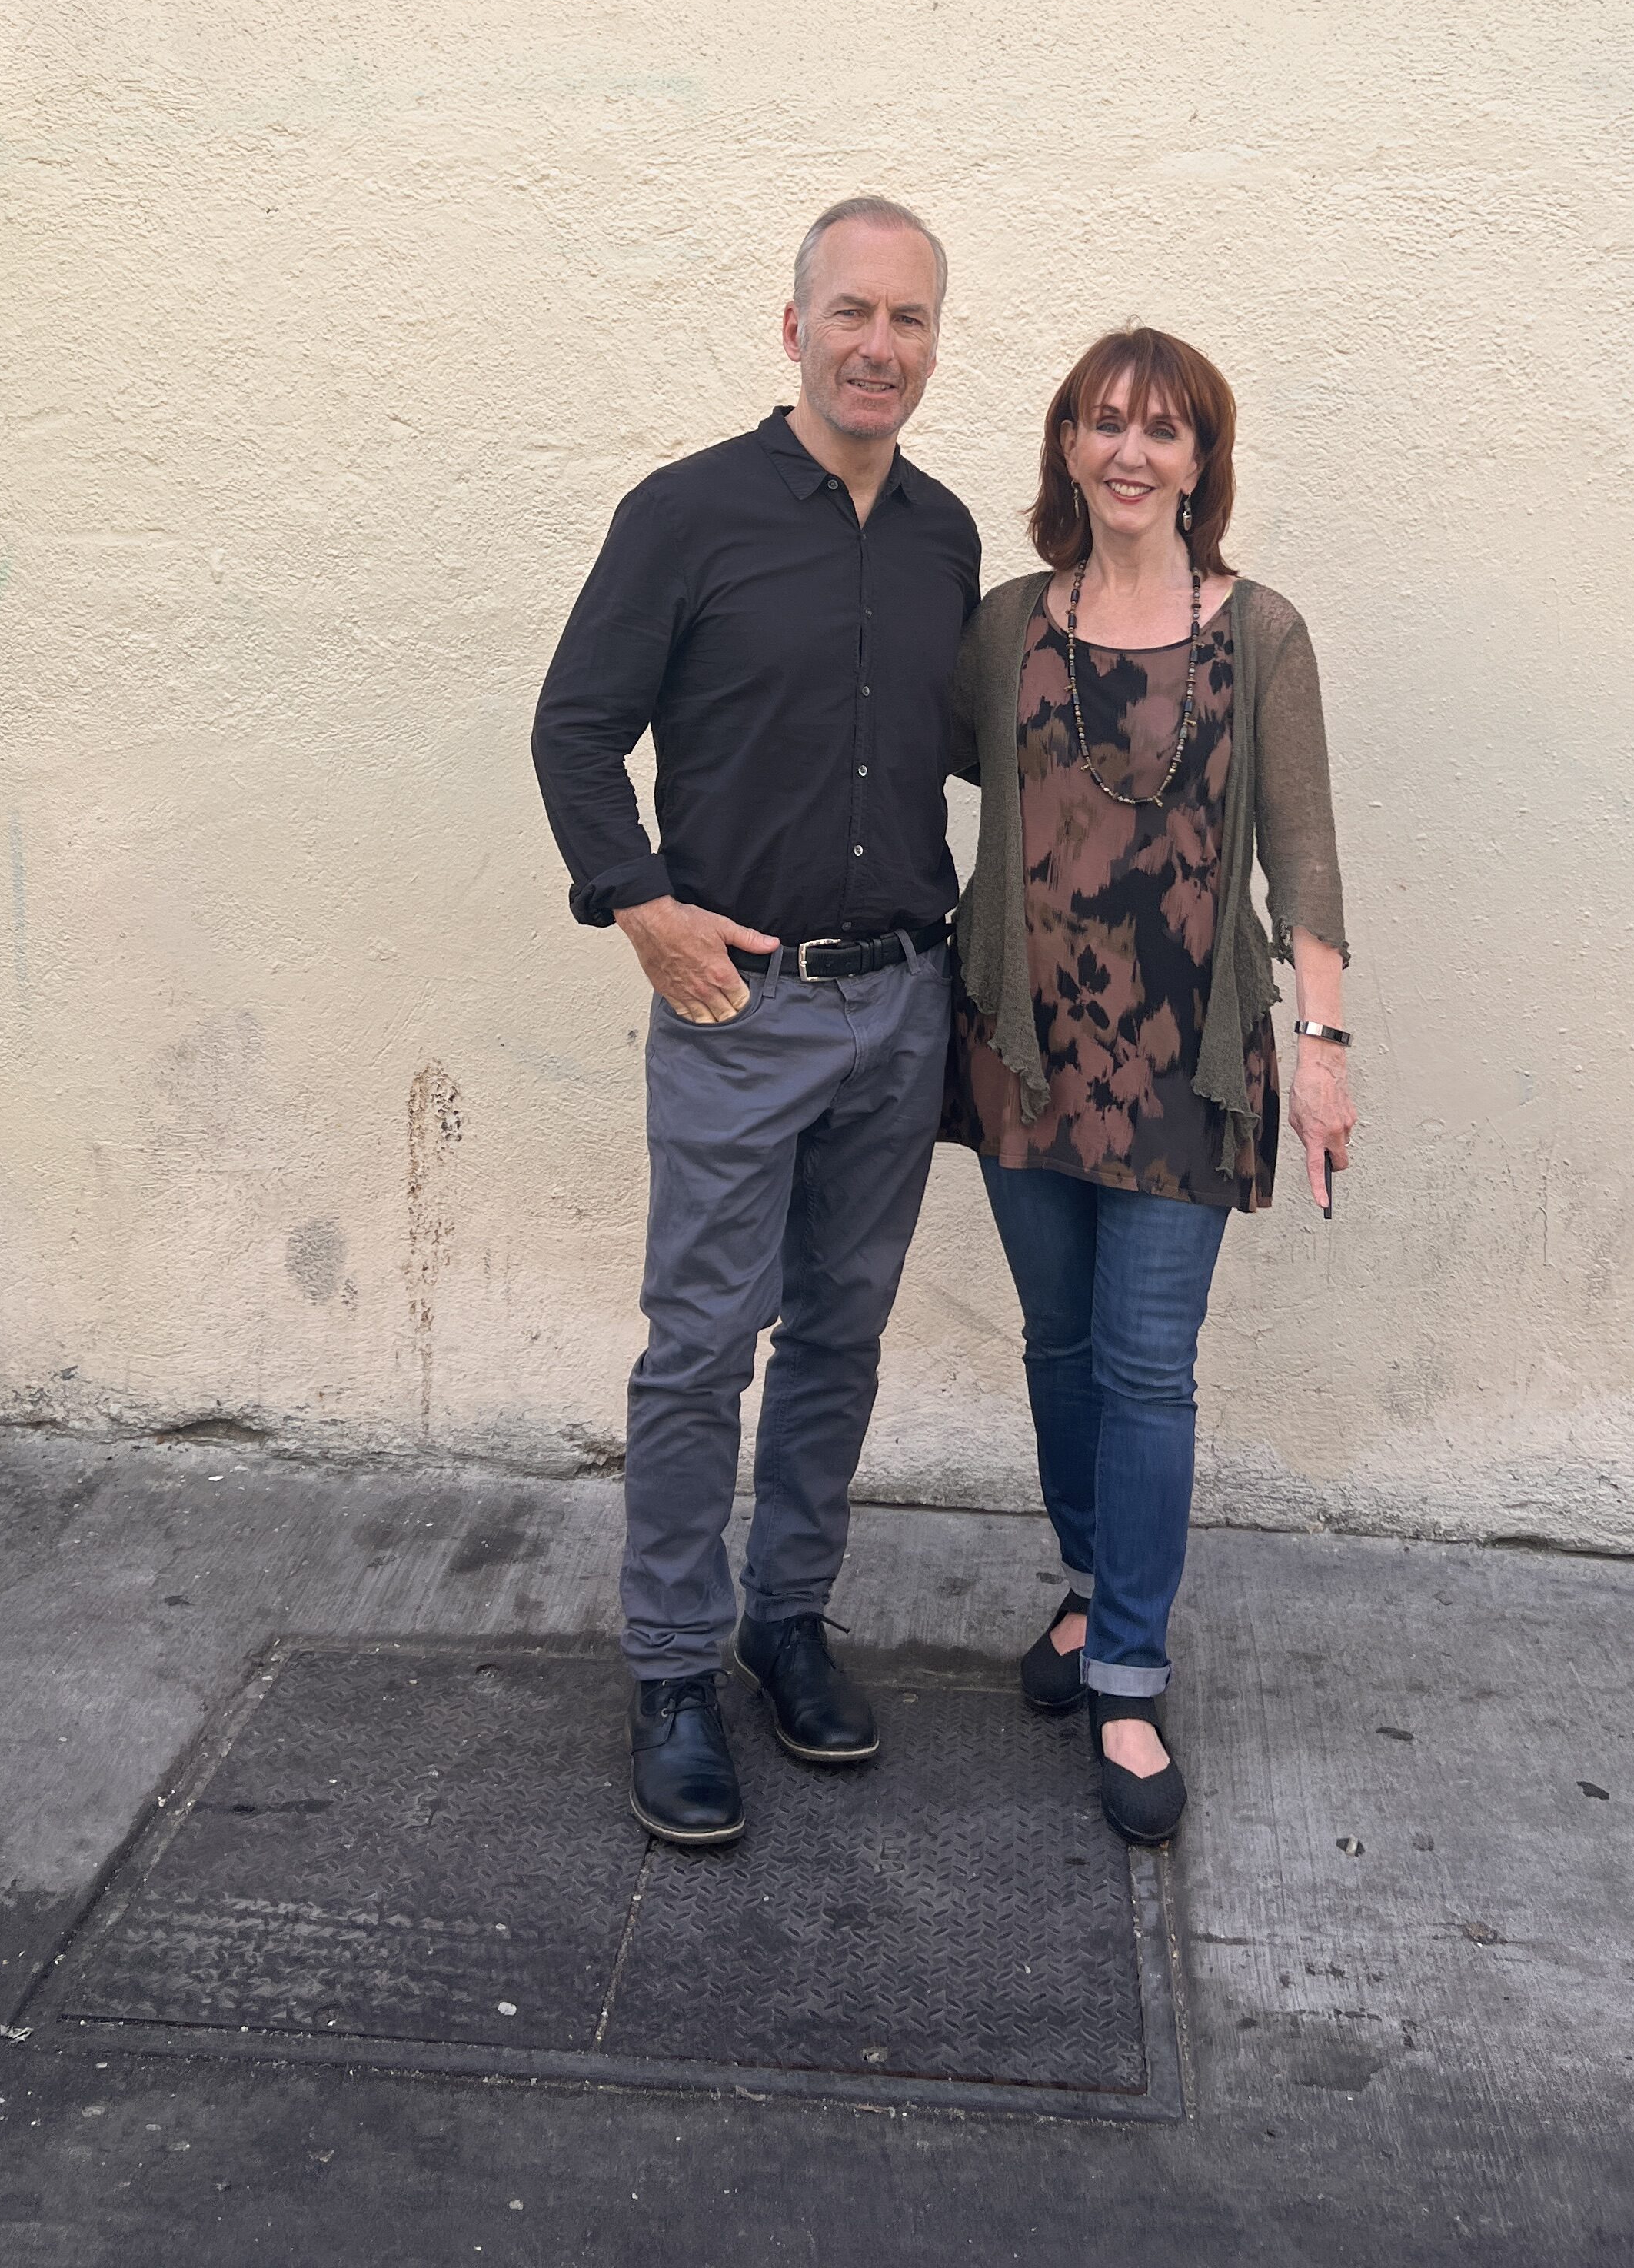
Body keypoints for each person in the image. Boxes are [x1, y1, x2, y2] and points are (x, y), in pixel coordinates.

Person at [531, 200, 980, 1847]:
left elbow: (978, 749)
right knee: (701, 1350)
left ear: (937, 344)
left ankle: (788, 1622)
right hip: (741, 1007)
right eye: (852, 312)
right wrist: (639, 909)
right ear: (790, 325)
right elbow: (575, 733)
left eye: (911, 321)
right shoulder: (687, 515)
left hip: (900, 1004)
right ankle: (669, 1668)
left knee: (840, 1341)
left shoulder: (943, 539)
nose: (880, 346)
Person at [944, 325, 1355, 1847]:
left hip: (1189, 1067)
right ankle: (1088, 1578)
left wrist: (1321, 1045)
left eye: (1165, 431)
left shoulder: (1261, 636)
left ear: (1202, 463)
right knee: (1058, 1344)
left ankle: (1126, 1668)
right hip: (1024, 1052)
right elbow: (918, 763)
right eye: (1105, 422)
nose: (1133, 450)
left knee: (1143, 1365)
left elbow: (1300, 850)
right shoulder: (1001, 631)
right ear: (1066, 447)